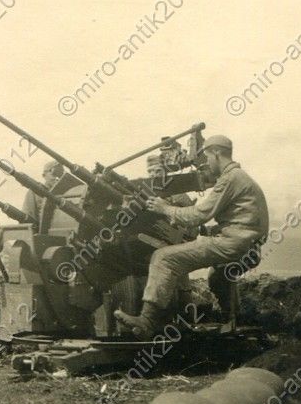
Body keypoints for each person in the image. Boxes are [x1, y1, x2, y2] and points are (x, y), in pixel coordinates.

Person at [115, 135, 268, 337]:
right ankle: (233, 320)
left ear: (216, 153)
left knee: (164, 257)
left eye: (206, 158)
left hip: (234, 244)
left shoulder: (230, 179)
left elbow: (197, 216)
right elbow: (239, 220)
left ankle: (146, 321)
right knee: (218, 276)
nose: (205, 164)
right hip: (248, 245)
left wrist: (165, 209)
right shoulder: (240, 177)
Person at [22, 160, 64, 225]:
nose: (57, 177)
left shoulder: (67, 192)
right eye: (53, 171)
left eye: (60, 173)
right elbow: (28, 217)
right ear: (44, 175)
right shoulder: (34, 192)